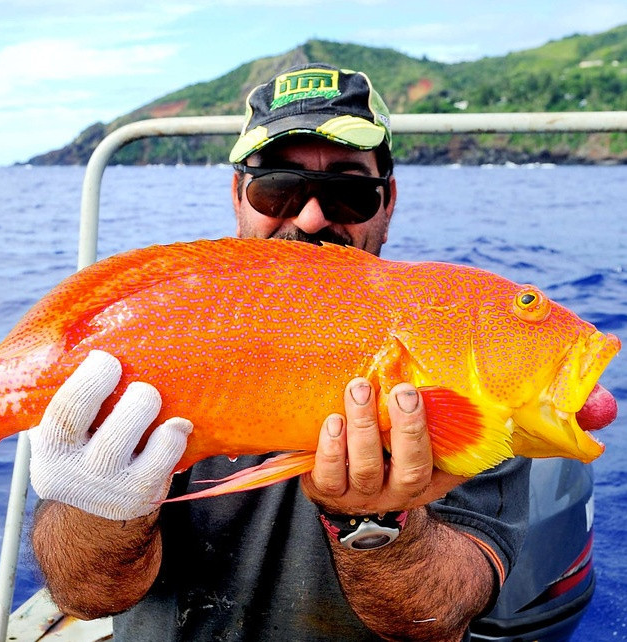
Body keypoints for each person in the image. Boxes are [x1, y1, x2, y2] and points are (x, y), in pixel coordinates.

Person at [29, 63, 531, 641]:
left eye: (349, 190)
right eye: (277, 187)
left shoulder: (461, 344)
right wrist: (101, 513)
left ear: (386, 201)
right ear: (240, 196)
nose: (312, 217)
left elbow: (437, 618)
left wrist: (375, 524)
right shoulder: (146, 334)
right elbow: (84, 594)